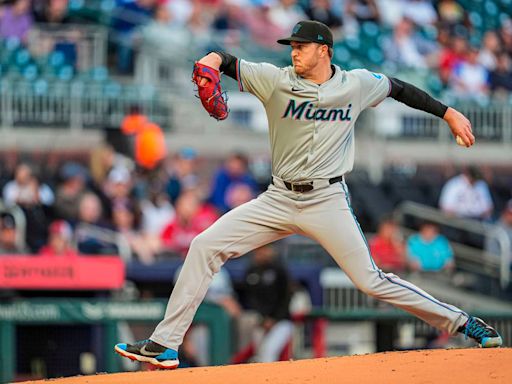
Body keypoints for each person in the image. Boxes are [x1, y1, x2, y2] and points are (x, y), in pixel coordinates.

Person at [115, 20, 501, 369]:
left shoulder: (355, 84)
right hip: (278, 198)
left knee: (370, 280)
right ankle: (165, 344)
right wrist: (210, 60)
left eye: (301, 46)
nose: (294, 51)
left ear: (324, 51)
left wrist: (448, 112)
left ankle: (464, 322)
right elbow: (227, 61)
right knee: (203, 245)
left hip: (326, 200)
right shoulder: (275, 79)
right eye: (292, 45)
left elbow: (399, 88)